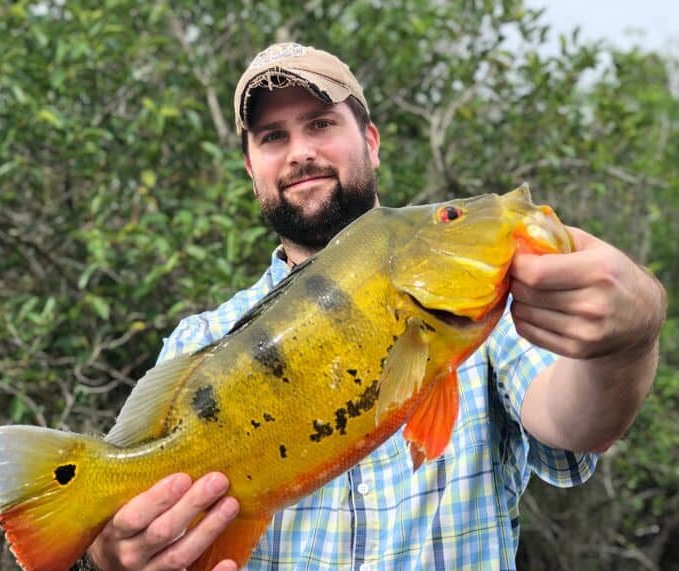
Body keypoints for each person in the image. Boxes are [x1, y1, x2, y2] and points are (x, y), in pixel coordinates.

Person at [86, 43, 667, 570]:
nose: (300, 153)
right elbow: (126, 521)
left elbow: (574, 426)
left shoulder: (490, 311)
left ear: (370, 141)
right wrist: (105, 558)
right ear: (251, 168)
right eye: (272, 137)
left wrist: (630, 343)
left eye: (321, 123)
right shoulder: (200, 338)